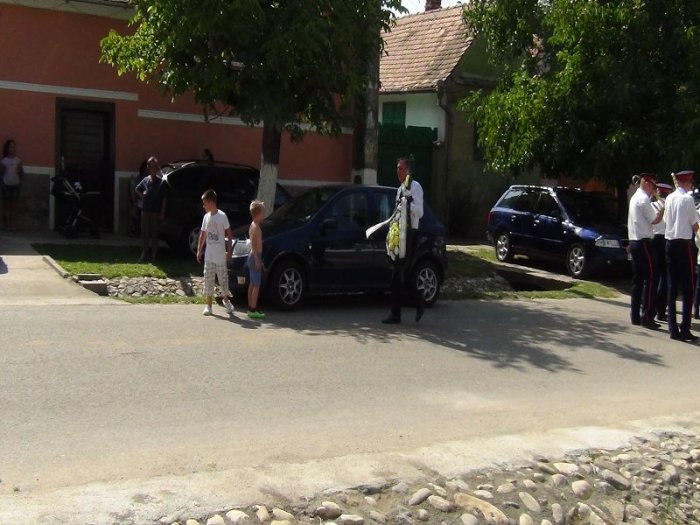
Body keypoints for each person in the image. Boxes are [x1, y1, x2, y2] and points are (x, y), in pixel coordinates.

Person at [382, 156, 424, 325]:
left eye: (401, 168)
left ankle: (419, 300)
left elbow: (420, 212)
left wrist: (408, 203)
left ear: (408, 170)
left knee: (404, 276)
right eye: (397, 168)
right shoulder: (400, 189)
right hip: (399, 234)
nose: (397, 171)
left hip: (411, 234)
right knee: (395, 276)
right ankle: (395, 314)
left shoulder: (415, 187)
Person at [664, 170, 700, 342]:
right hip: (684, 245)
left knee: (672, 286)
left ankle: (673, 328)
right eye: (691, 183)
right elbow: (695, 225)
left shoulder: (669, 198)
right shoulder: (688, 199)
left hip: (670, 243)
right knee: (688, 287)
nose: (692, 186)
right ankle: (685, 327)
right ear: (687, 182)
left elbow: (666, 220)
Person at [627, 173, 664, 329]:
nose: (654, 190)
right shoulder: (643, 199)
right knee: (652, 277)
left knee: (638, 280)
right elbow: (654, 220)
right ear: (647, 183)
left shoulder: (635, 197)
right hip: (643, 243)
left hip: (635, 241)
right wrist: (663, 209)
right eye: (653, 186)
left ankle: (635, 315)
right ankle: (647, 316)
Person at [197, 189, 235, 316]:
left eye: (205, 203)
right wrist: (199, 250)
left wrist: (229, 251)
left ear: (211, 202)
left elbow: (229, 234)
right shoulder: (206, 217)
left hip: (219, 256)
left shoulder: (222, 216)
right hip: (209, 255)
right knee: (208, 279)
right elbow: (203, 234)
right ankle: (209, 305)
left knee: (223, 279)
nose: (203, 206)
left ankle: (226, 300)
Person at [135, 156, 166, 262]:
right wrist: (142, 196)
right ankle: (144, 252)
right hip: (146, 210)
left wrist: (162, 211)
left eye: (154, 166)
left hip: (156, 211)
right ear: (148, 168)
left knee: (154, 233)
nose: (152, 168)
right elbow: (137, 189)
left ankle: (154, 254)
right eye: (150, 166)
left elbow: (164, 198)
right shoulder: (145, 180)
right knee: (145, 232)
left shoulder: (160, 181)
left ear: (157, 168)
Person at [652, 182, 673, 322]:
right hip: (662, 240)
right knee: (664, 277)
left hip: (653, 240)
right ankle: (660, 310)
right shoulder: (667, 206)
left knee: (656, 276)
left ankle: (654, 309)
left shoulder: (652, 205)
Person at [246, 200, 266, 320]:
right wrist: (257, 260)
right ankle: (253, 308)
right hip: (255, 257)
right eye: (263, 213)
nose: (264, 215)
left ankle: (250, 306)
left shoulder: (253, 225)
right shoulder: (256, 227)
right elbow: (253, 244)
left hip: (253, 257)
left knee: (252, 283)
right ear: (258, 214)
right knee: (256, 285)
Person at [1, 139, 24, 231]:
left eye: (13, 147)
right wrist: (2, 183)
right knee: (7, 206)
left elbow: (21, 173)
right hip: (6, 185)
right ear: (7, 149)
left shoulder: (18, 161)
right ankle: (7, 225)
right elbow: (1, 173)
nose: (13, 149)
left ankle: (13, 225)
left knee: (14, 207)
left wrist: (20, 183)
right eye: (11, 147)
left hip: (15, 185)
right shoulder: (3, 161)